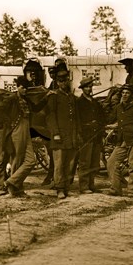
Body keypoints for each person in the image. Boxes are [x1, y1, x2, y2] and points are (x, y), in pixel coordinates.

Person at [0, 76, 50, 197]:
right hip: (16, 130)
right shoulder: (11, 98)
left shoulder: (26, 99)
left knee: (30, 161)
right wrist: (9, 122)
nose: (25, 90)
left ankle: (11, 182)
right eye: (23, 88)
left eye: (26, 88)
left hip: (27, 130)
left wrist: (46, 98)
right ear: (17, 87)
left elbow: (36, 109)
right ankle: (16, 190)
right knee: (17, 159)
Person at [105, 84, 133, 197]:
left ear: (132, 95)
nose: (124, 95)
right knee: (111, 163)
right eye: (123, 93)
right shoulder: (118, 107)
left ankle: (132, 190)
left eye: (127, 93)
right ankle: (116, 188)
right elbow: (110, 118)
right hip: (122, 141)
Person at [47, 69, 81, 199]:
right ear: (57, 82)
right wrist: (55, 133)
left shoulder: (71, 97)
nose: (64, 83)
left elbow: (77, 117)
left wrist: (78, 133)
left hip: (71, 135)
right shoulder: (54, 96)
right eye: (61, 81)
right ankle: (59, 188)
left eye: (66, 80)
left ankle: (67, 186)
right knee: (59, 163)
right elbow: (51, 116)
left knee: (70, 163)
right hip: (59, 136)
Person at [75, 76, 106, 193]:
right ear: (82, 89)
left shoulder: (95, 103)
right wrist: (84, 128)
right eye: (87, 87)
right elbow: (77, 120)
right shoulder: (79, 103)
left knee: (94, 161)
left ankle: (91, 184)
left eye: (90, 86)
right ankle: (83, 186)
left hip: (96, 136)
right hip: (86, 136)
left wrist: (100, 126)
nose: (89, 89)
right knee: (84, 162)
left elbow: (102, 117)